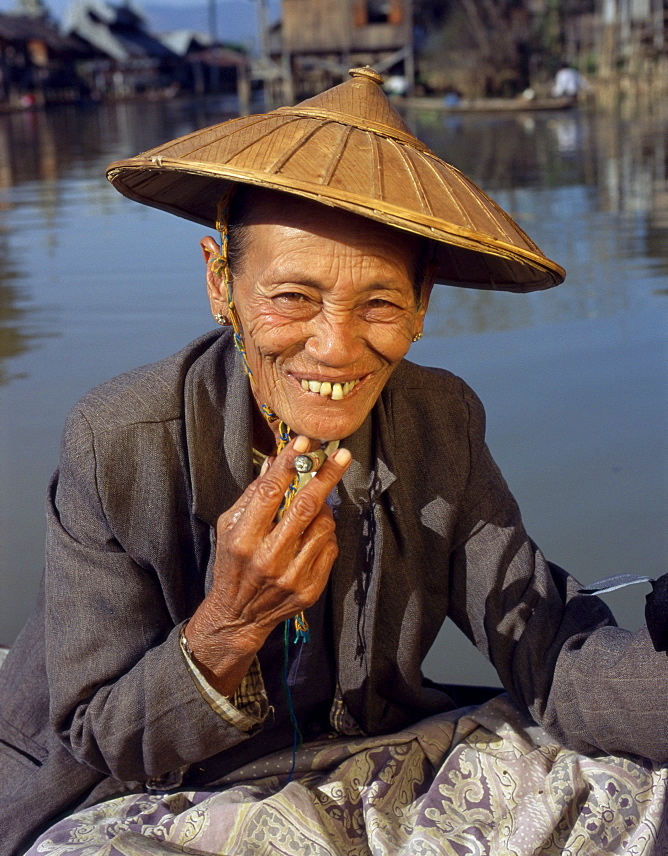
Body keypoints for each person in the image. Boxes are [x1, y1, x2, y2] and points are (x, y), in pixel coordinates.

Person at [1, 67, 667, 856]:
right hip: (140, 789)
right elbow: (98, 740)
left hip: (360, 759)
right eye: (292, 298)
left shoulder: (440, 421)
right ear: (221, 283)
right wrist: (228, 626)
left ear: (423, 306)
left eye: (380, 304)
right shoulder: (118, 442)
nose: (336, 347)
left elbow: (547, 651)